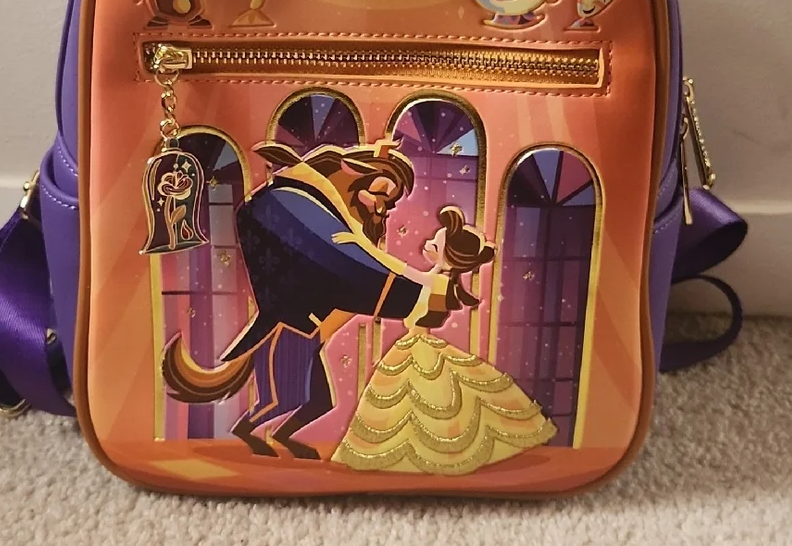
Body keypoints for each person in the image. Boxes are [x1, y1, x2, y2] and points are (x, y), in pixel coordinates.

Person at [161, 138, 448, 460]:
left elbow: (354, 259)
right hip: (288, 329)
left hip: (304, 330)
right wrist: (418, 294)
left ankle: (280, 437)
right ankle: (246, 432)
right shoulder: (291, 202)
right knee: (283, 399)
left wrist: (420, 287)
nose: (382, 208)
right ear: (352, 172)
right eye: (379, 193)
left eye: (389, 203)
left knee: (319, 402)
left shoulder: (320, 211)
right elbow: (345, 262)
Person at [332, 205, 557, 476]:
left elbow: (399, 268)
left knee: (423, 401)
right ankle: (420, 455)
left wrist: (361, 244)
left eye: (435, 244)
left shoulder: (437, 282)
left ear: (450, 257)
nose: (427, 244)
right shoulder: (440, 280)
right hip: (417, 342)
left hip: (417, 345)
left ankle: (438, 456)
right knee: (421, 401)